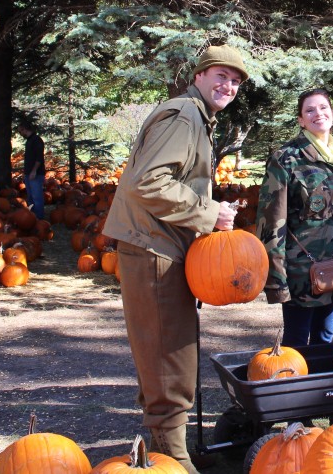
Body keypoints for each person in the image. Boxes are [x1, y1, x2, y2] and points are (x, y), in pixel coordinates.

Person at [101, 45, 248, 473]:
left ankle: (165, 448)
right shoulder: (184, 115)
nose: (229, 86)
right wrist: (208, 213)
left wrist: (207, 210)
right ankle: (174, 459)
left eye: (236, 81)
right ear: (200, 75)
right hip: (153, 250)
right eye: (221, 76)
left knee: (164, 352)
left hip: (159, 246)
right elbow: (148, 182)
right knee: (169, 356)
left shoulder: (196, 117)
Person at [256, 88, 333, 346]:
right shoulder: (286, 159)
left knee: (325, 339)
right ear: (301, 120)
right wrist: (277, 280)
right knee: (297, 342)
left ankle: (321, 387)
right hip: (301, 273)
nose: (318, 113)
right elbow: (271, 222)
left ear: (332, 114)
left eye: (323, 108)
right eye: (309, 110)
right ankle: (295, 387)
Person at [17, 121, 46, 220]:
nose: (20, 134)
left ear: (24, 129)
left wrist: (34, 171)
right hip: (28, 173)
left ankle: (39, 219)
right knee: (30, 198)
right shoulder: (29, 140)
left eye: (20, 131)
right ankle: (32, 217)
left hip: (36, 174)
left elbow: (39, 158)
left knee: (37, 197)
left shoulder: (36, 140)